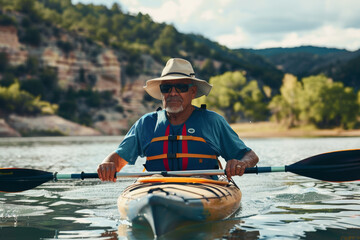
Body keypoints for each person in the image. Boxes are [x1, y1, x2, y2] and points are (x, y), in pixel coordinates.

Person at [98, 58, 259, 182]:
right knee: (153, 179)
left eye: (181, 87)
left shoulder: (212, 121)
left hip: (204, 187)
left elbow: (250, 156)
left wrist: (241, 164)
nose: (173, 93)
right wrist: (107, 164)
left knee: (200, 179)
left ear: (193, 91)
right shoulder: (146, 123)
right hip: (156, 188)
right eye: (166, 88)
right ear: (162, 92)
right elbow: (117, 160)